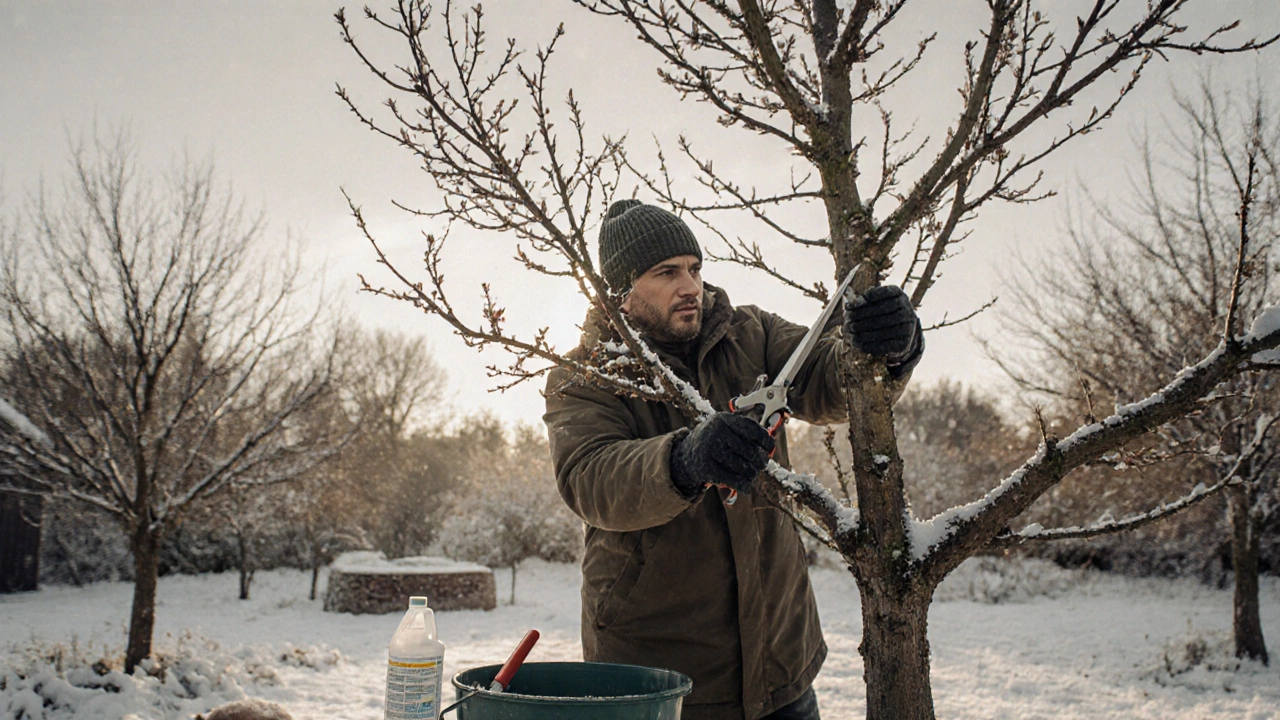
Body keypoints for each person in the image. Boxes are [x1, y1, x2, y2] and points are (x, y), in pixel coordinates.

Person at [542, 199, 923, 720]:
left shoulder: (753, 334)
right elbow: (590, 479)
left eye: (695, 269)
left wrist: (885, 348)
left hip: (781, 663)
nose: (690, 286)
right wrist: (683, 460)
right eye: (667, 272)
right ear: (621, 292)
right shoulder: (584, 377)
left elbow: (828, 379)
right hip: (657, 684)